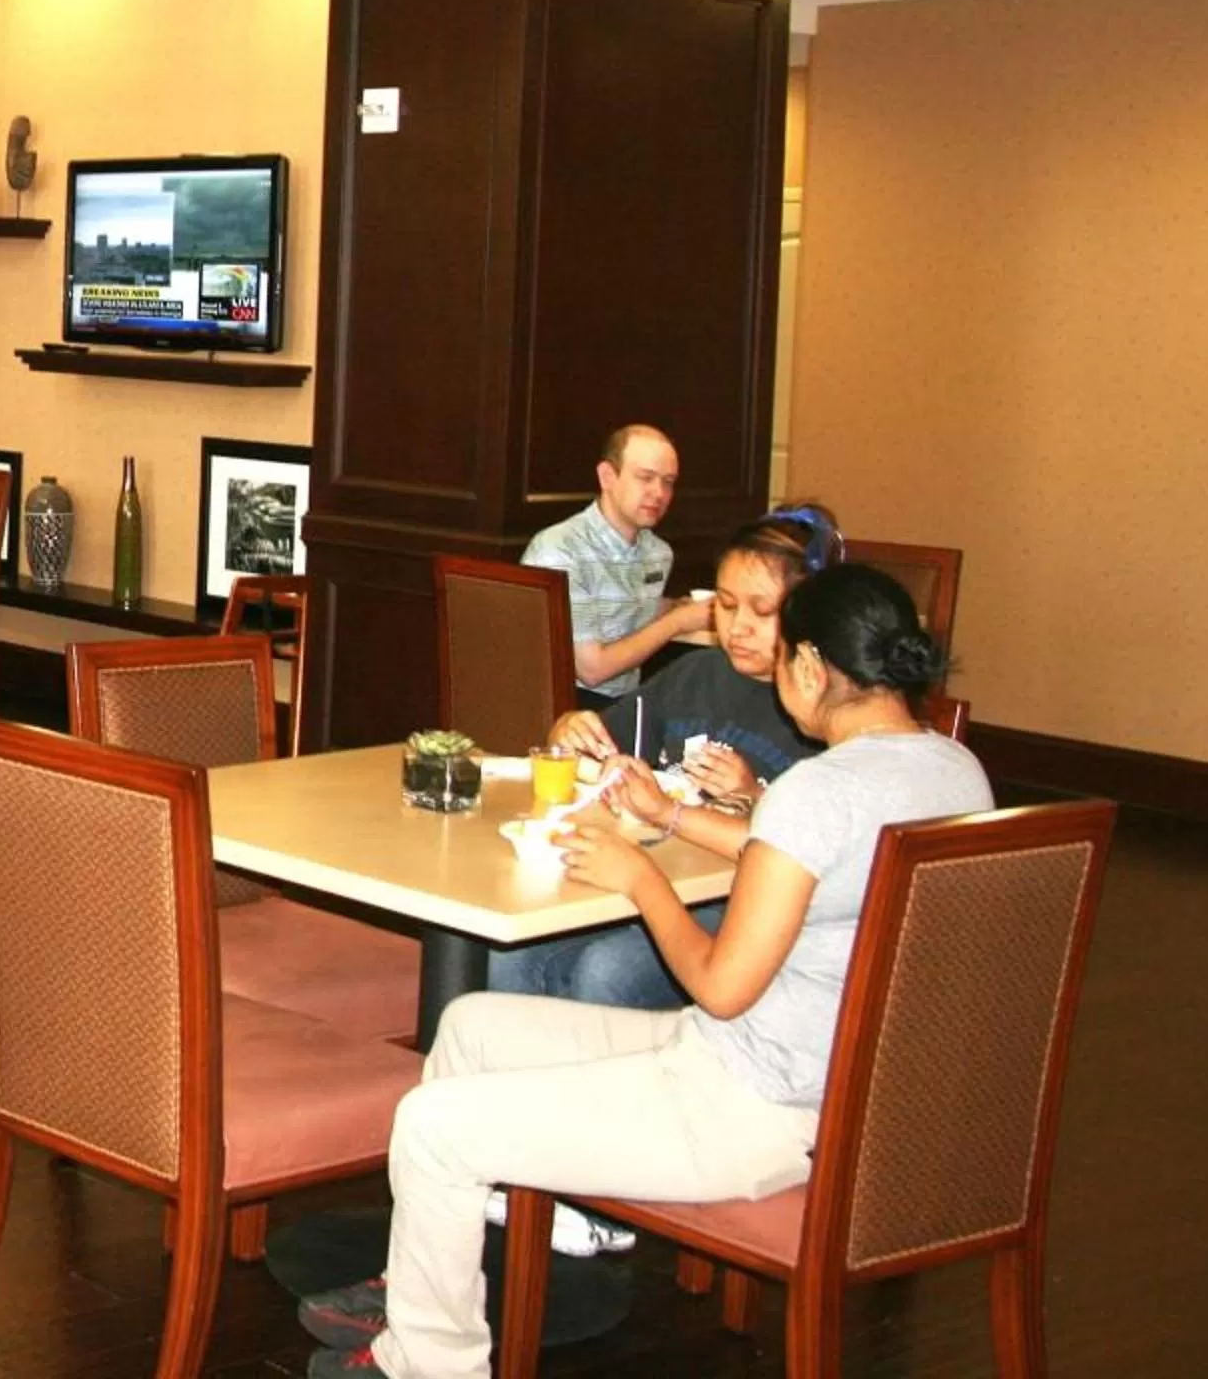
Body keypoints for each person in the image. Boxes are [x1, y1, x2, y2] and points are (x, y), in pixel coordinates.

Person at [294, 563, 993, 1378]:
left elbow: (722, 986)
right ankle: (430, 1297)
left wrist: (639, 877)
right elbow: (796, 882)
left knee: (431, 1126)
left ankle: (430, 1365)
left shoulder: (818, 791)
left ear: (811, 666)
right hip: (830, 1082)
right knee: (471, 1027)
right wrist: (673, 822)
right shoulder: (956, 773)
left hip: (762, 1106)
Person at [493, 503, 843, 1012]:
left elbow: (815, 845)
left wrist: (751, 793)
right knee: (512, 953)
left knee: (606, 971)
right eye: (724, 605)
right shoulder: (696, 674)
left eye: (761, 611)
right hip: (655, 869)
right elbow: (607, 742)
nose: (738, 626)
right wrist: (568, 729)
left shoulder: (819, 710)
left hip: (739, 900)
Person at [522, 424, 707, 708]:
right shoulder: (560, 550)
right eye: (646, 478)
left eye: (668, 482)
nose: (659, 493)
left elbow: (628, 611)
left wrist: (676, 607)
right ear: (607, 476)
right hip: (560, 706)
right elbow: (592, 671)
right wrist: (677, 622)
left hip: (626, 702)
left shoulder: (658, 553)